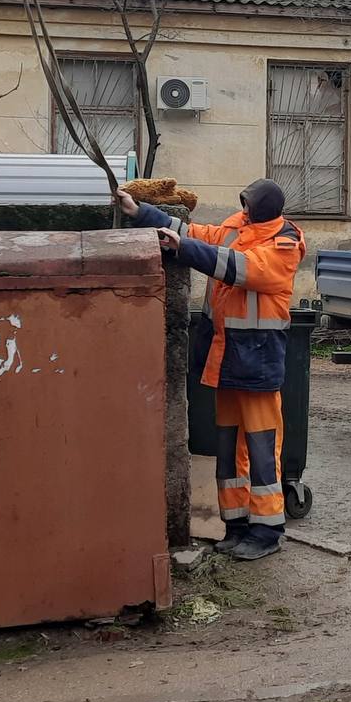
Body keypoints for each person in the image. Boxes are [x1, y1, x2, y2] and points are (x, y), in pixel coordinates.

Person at [116, 179, 304, 561]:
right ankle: (236, 525)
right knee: (229, 448)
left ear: (260, 209)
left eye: (250, 204)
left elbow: (237, 267)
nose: (245, 209)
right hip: (229, 357)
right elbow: (196, 232)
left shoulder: (284, 244)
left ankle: (267, 531)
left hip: (259, 361)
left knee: (263, 450)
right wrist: (142, 213)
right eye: (244, 204)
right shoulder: (239, 226)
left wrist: (184, 248)